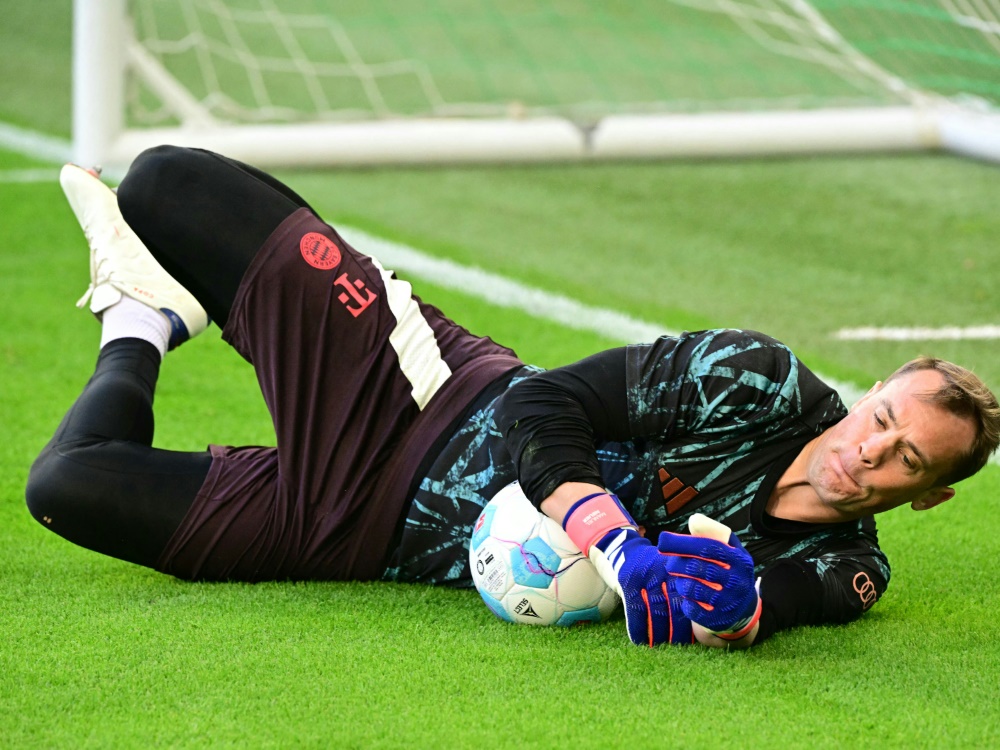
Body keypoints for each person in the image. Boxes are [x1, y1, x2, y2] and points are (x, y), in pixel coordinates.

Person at [26, 148, 1000, 650]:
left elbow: (777, 606)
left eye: (905, 461)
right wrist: (612, 539)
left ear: (928, 497)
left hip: (364, 538)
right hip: (424, 393)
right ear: (869, 394)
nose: (870, 453)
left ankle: (139, 318)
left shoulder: (848, 565)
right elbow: (545, 409)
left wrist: (735, 614)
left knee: (67, 485)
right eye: (881, 422)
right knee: (164, 185)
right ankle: (199, 296)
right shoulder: (755, 380)